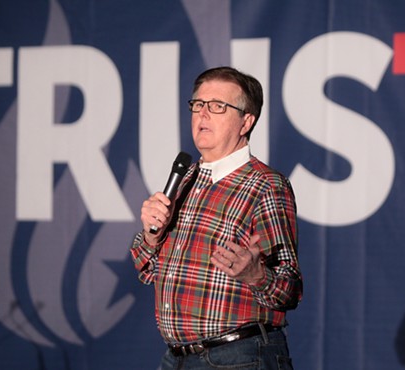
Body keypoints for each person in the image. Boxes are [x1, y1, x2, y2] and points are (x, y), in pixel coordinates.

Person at [130, 66, 303, 369]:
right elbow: (148, 272)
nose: (203, 114)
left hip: (237, 357)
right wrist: (151, 236)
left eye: (218, 106)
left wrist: (256, 275)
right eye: (198, 105)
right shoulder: (185, 180)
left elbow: (290, 289)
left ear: (245, 121)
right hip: (177, 357)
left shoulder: (266, 185)